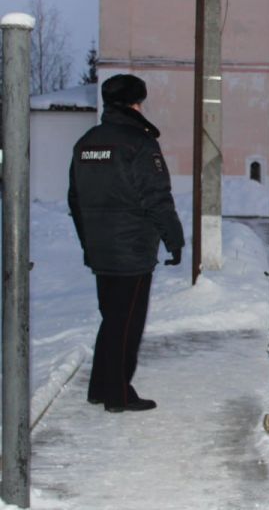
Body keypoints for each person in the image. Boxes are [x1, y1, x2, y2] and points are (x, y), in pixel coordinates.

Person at [68, 73, 184, 413]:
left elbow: (75, 199)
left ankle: (99, 388)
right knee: (127, 323)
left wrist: (88, 240)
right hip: (132, 250)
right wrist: (173, 239)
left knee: (112, 318)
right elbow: (157, 197)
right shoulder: (140, 143)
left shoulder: (87, 141)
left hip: (100, 248)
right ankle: (118, 394)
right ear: (136, 103)